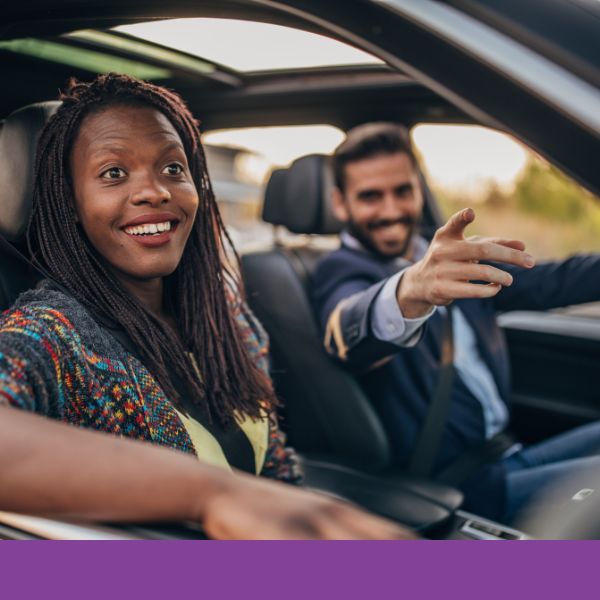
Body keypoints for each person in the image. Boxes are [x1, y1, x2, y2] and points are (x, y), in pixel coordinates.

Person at [0, 75, 413, 540]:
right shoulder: (52, 332)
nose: (154, 191)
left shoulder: (227, 321)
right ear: (69, 202)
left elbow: (276, 469)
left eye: (173, 169)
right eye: (113, 173)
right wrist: (213, 495)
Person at [312, 122, 600, 524]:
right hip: (459, 489)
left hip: (510, 450)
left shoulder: (445, 253)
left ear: (419, 189)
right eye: (370, 197)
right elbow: (345, 331)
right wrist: (411, 288)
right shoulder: (338, 270)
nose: (391, 210)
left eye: (402, 191)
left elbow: (555, 280)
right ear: (341, 204)